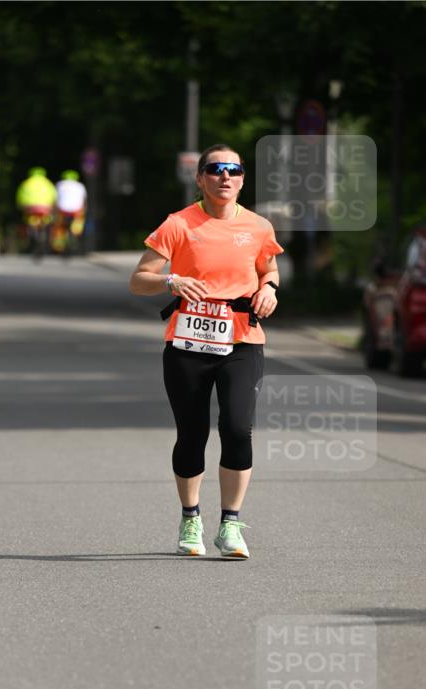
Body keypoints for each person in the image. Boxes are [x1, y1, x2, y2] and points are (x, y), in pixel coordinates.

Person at [129, 143, 283, 560]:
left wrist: (268, 289)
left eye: (234, 170)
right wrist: (169, 282)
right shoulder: (179, 224)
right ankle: (191, 517)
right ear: (200, 178)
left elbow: (269, 268)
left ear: (243, 179)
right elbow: (139, 278)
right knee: (192, 433)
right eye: (215, 169)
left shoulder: (257, 226)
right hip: (187, 343)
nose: (225, 177)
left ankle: (230, 524)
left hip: (241, 340)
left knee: (237, 428)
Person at [16, 167, 57, 257]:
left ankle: (32, 232)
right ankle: (44, 234)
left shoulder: (26, 183)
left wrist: (21, 206)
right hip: (45, 208)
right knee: (46, 223)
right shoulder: (48, 183)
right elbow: (54, 197)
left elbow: (20, 197)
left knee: (30, 221)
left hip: (30, 208)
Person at [53, 169, 87, 252]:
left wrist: (54, 211)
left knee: (59, 226)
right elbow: (84, 201)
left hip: (62, 210)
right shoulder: (80, 186)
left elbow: (54, 200)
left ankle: (59, 246)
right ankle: (76, 235)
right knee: (79, 221)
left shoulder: (59, 185)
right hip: (76, 211)